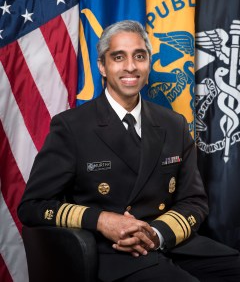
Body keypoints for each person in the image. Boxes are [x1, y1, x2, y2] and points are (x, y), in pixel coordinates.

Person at [18, 20, 240, 282]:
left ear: (149, 64)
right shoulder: (72, 127)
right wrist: (101, 220)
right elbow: (32, 207)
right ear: (102, 66)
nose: (131, 66)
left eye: (139, 56)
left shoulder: (173, 123)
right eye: (118, 57)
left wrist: (156, 235)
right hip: (110, 252)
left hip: (167, 240)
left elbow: (194, 201)